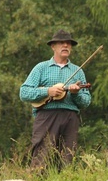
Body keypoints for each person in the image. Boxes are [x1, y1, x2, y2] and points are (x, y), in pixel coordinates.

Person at [19, 30, 91, 171]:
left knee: (67, 161)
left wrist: (76, 94)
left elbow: (86, 101)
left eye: (68, 43)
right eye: (61, 43)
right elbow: (24, 92)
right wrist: (47, 91)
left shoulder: (78, 71)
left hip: (70, 118)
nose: (65, 45)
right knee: (41, 159)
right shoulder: (41, 68)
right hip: (46, 116)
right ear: (53, 46)